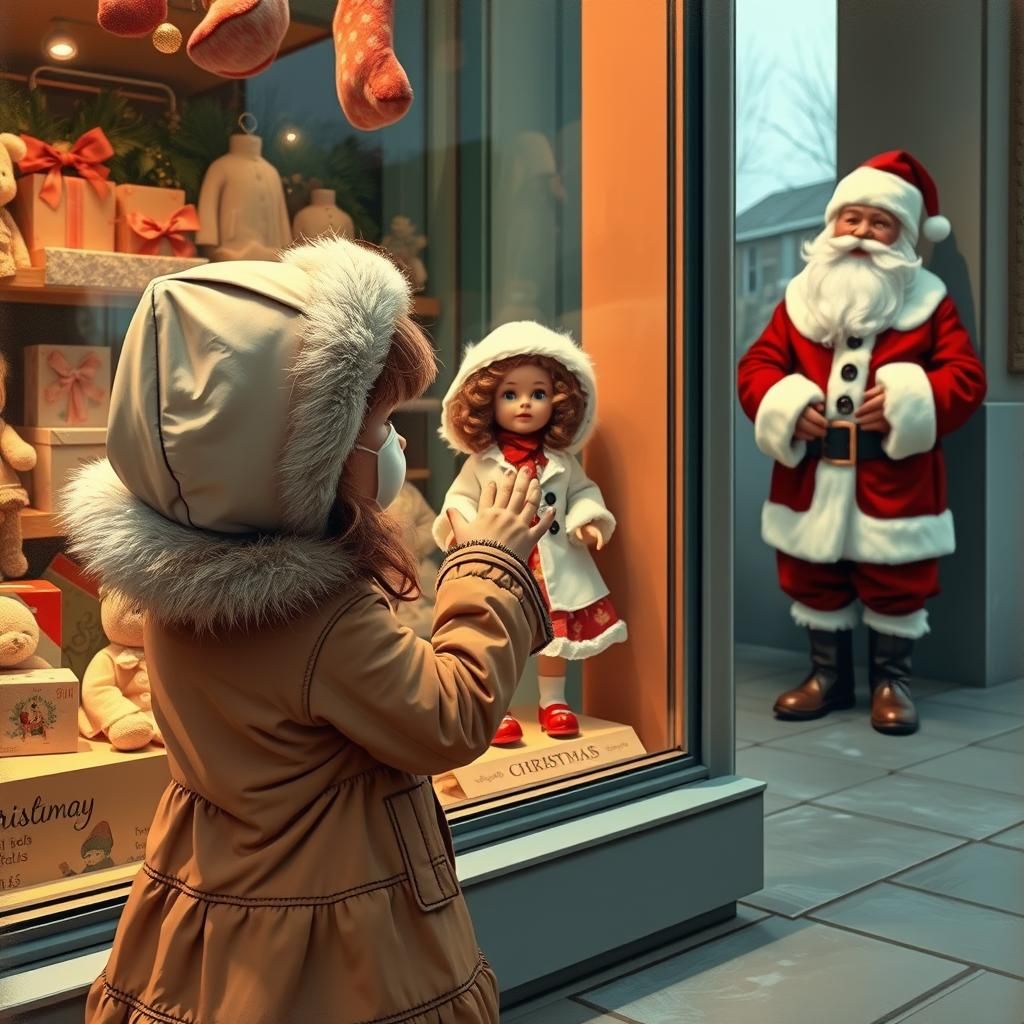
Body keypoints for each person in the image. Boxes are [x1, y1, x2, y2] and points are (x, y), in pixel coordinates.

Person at [61, 236, 555, 1024]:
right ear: (293, 456)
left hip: (215, 910)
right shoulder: (316, 618)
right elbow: (448, 715)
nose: (395, 446)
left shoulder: (181, 587)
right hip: (337, 941)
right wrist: (488, 564)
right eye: (381, 426)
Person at [737, 150, 986, 736]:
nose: (862, 234)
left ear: (903, 236)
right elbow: (757, 366)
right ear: (832, 224)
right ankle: (827, 676)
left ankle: (891, 682)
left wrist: (908, 397)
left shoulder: (927, 298)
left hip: (894, 478)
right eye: (852, 219)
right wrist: (788, 405)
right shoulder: (802, 296)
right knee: (811, 573)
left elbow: (965, 377)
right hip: (813, 474)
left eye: (880, 223)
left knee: (895, 580)